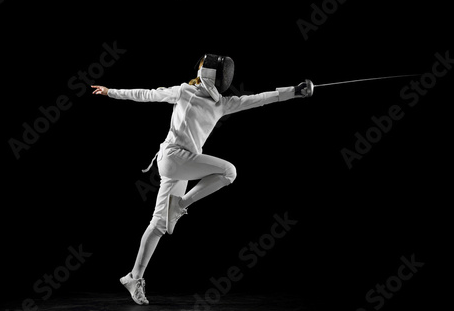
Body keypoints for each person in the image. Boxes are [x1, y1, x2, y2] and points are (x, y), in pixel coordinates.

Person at [91, 54, 313, 305]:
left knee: (159, 225)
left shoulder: (222, 103)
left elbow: (259, 99)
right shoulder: (184, 91)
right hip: (175, 158)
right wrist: (111, 92)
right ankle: (181, 205)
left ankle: (134, 276)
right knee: (229, 172)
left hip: (182, 164)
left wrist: (293, 92)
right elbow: (147, 94)